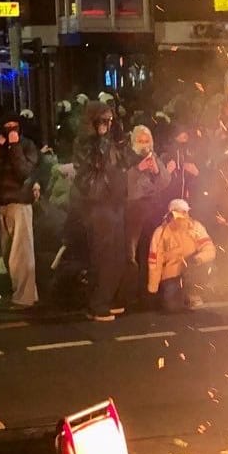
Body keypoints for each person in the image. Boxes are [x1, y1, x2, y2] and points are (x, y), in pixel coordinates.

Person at [74, 102, 129, 321]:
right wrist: (103, 139)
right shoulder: (86, 143)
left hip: (114, 201)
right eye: (104, 120)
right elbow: (97, 165)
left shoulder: (112, 141)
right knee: (102, 254)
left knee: (116, 253)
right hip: (98, 204)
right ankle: (97, 303)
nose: (108, 124)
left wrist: (121, 140)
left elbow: (123, 161)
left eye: (110, 119)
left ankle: (108, 296)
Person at [0, 114, 40, 309]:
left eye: (14, 126)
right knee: (10, 251)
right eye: (7, 126)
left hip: (20, 201)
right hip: (2, 201)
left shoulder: (27, 145)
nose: (10, 129)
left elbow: (23, 171)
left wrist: (15, 146)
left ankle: (23, 298)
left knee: (21, 252)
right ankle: (27, 293)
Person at [125, 125, 173, 304]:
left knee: (151, 252)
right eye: (140, 141)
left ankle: (149, 293)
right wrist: (138, 169)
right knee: (132, 255)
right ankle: (130, 293)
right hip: (133, 212)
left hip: (151, 211)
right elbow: (126, 187)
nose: (144, 145)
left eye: (147, 141)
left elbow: (165, 181)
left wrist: (157, 171)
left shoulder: (154, 158)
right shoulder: (128, 159)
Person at [146, 198, 216, 312]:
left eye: (185, 212)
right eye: (180, 211)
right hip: (172, 275)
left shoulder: (195, 227)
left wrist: (198, 259)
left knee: (208, 265)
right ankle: (176, 296)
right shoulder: (161, 232)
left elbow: (209, 249)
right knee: (172, 308)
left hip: (190, 270)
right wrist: (153, 288)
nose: (184, 215)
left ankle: (193, 293)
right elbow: (155, 262)